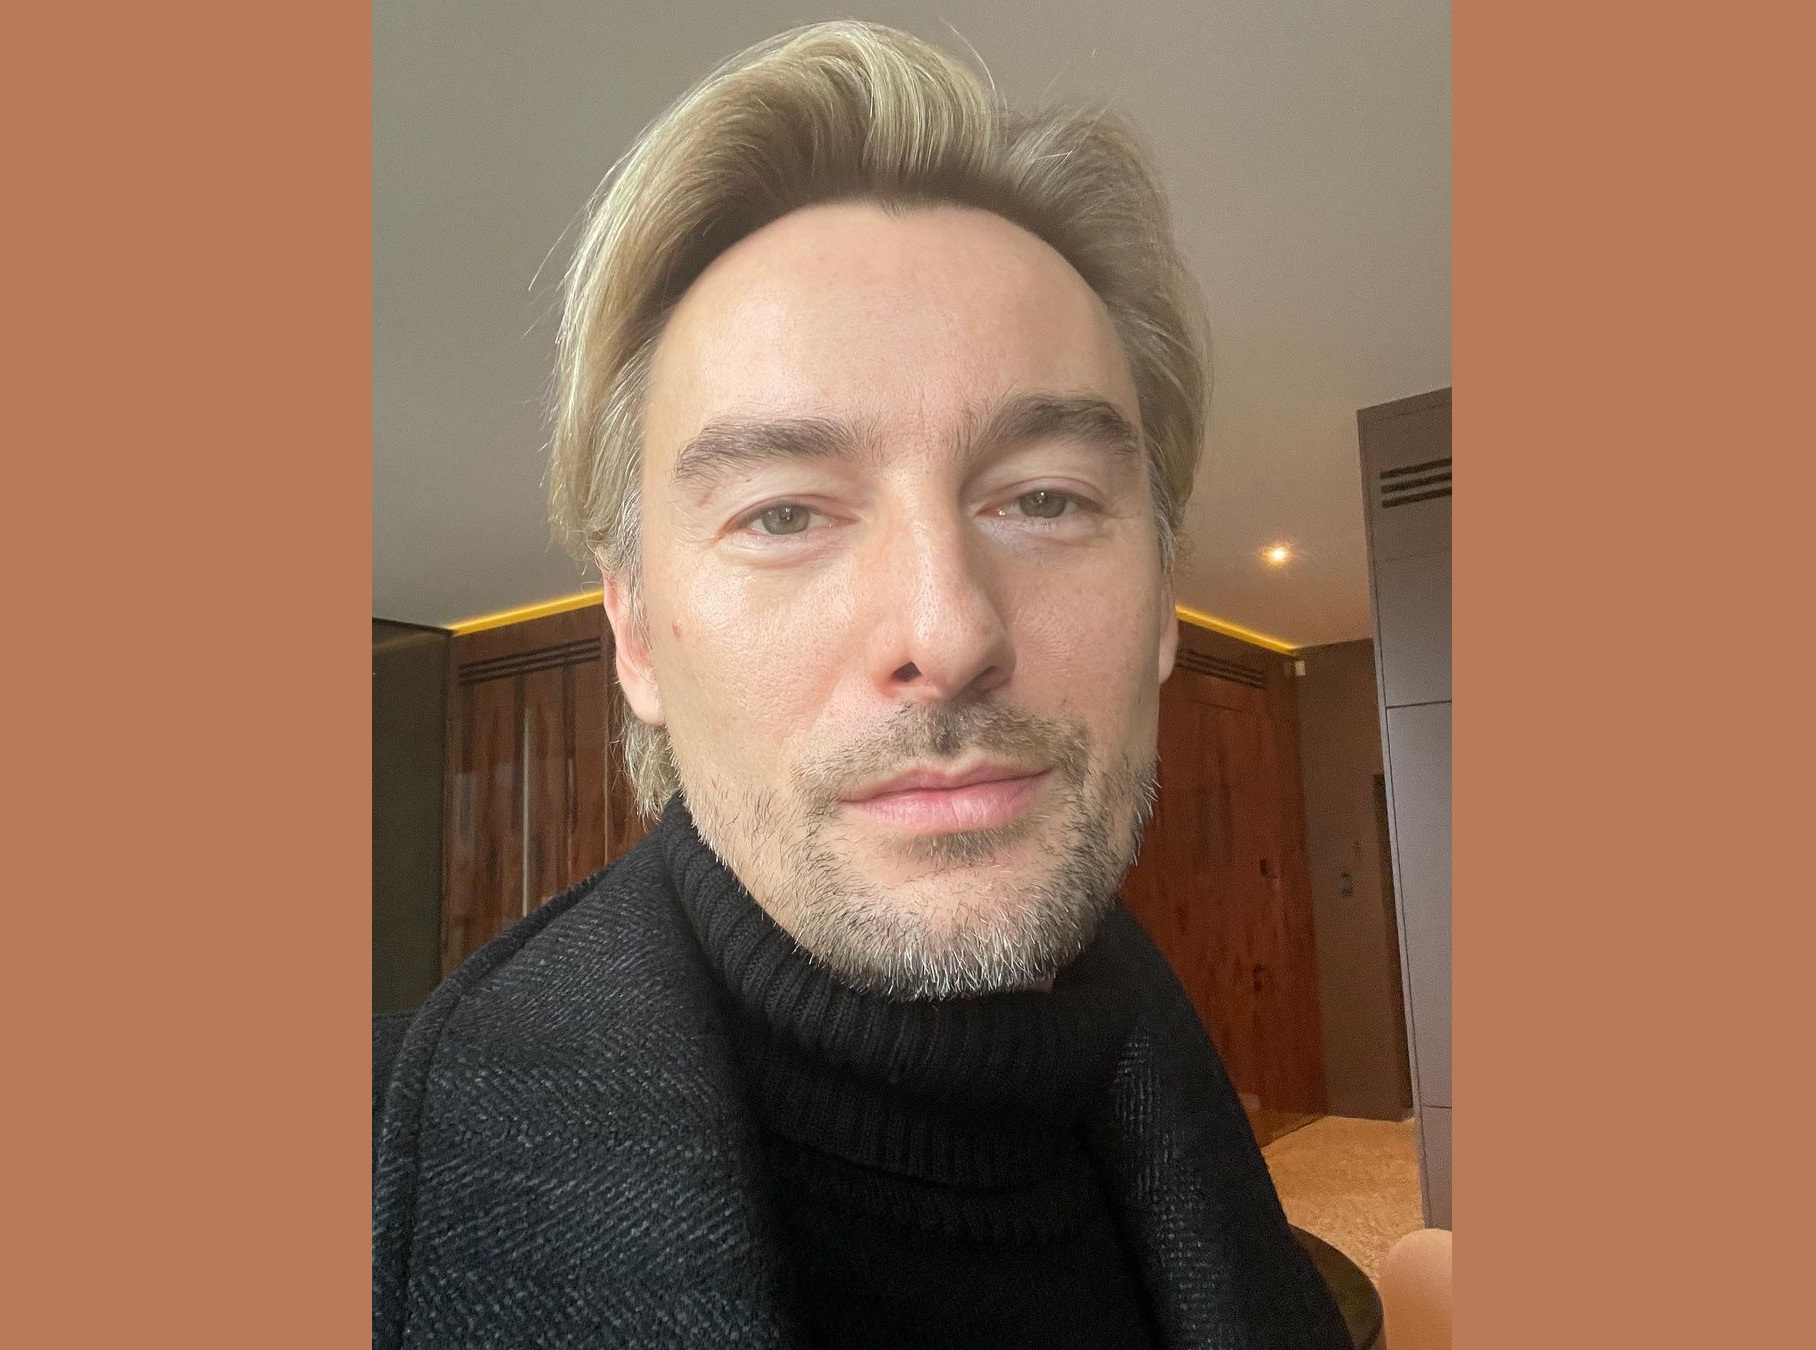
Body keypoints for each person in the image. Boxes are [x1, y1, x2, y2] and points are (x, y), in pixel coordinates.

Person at [373, 20, 1352, 1350]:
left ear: (1165, 599)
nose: (947, 633)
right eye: (784, 513)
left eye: (1046, 498)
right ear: (637, 633)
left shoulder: (1215, 1190)